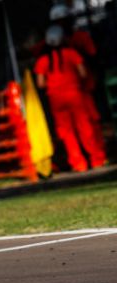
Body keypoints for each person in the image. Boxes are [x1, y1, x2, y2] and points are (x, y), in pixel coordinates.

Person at [34, 25, 107, 172]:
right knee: (85, 127)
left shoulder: (42, 60)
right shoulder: (72, 54)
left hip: (55, 99)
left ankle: (78, 164)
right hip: (75, 95)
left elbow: (40, 84)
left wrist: (54, 84)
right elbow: (83, 73)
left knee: (67, 133)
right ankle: (96, 159)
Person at [49, 3, 106, 164]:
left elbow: (93, 58)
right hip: (74, 92)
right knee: (76, 128)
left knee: (90, 123)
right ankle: (85, 160)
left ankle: (96, 157)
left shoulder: (80, 38)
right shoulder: (56, 51)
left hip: (84, 89)